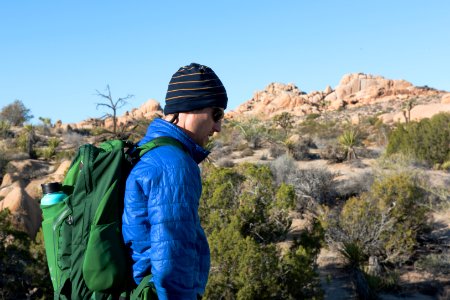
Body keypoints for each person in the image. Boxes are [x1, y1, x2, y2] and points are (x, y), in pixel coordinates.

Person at [122, 63, 227, 300]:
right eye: (216, 114)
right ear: (189, 108)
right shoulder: (174, 165)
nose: (218, 127)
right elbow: (170, 258)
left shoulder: (148, 151)